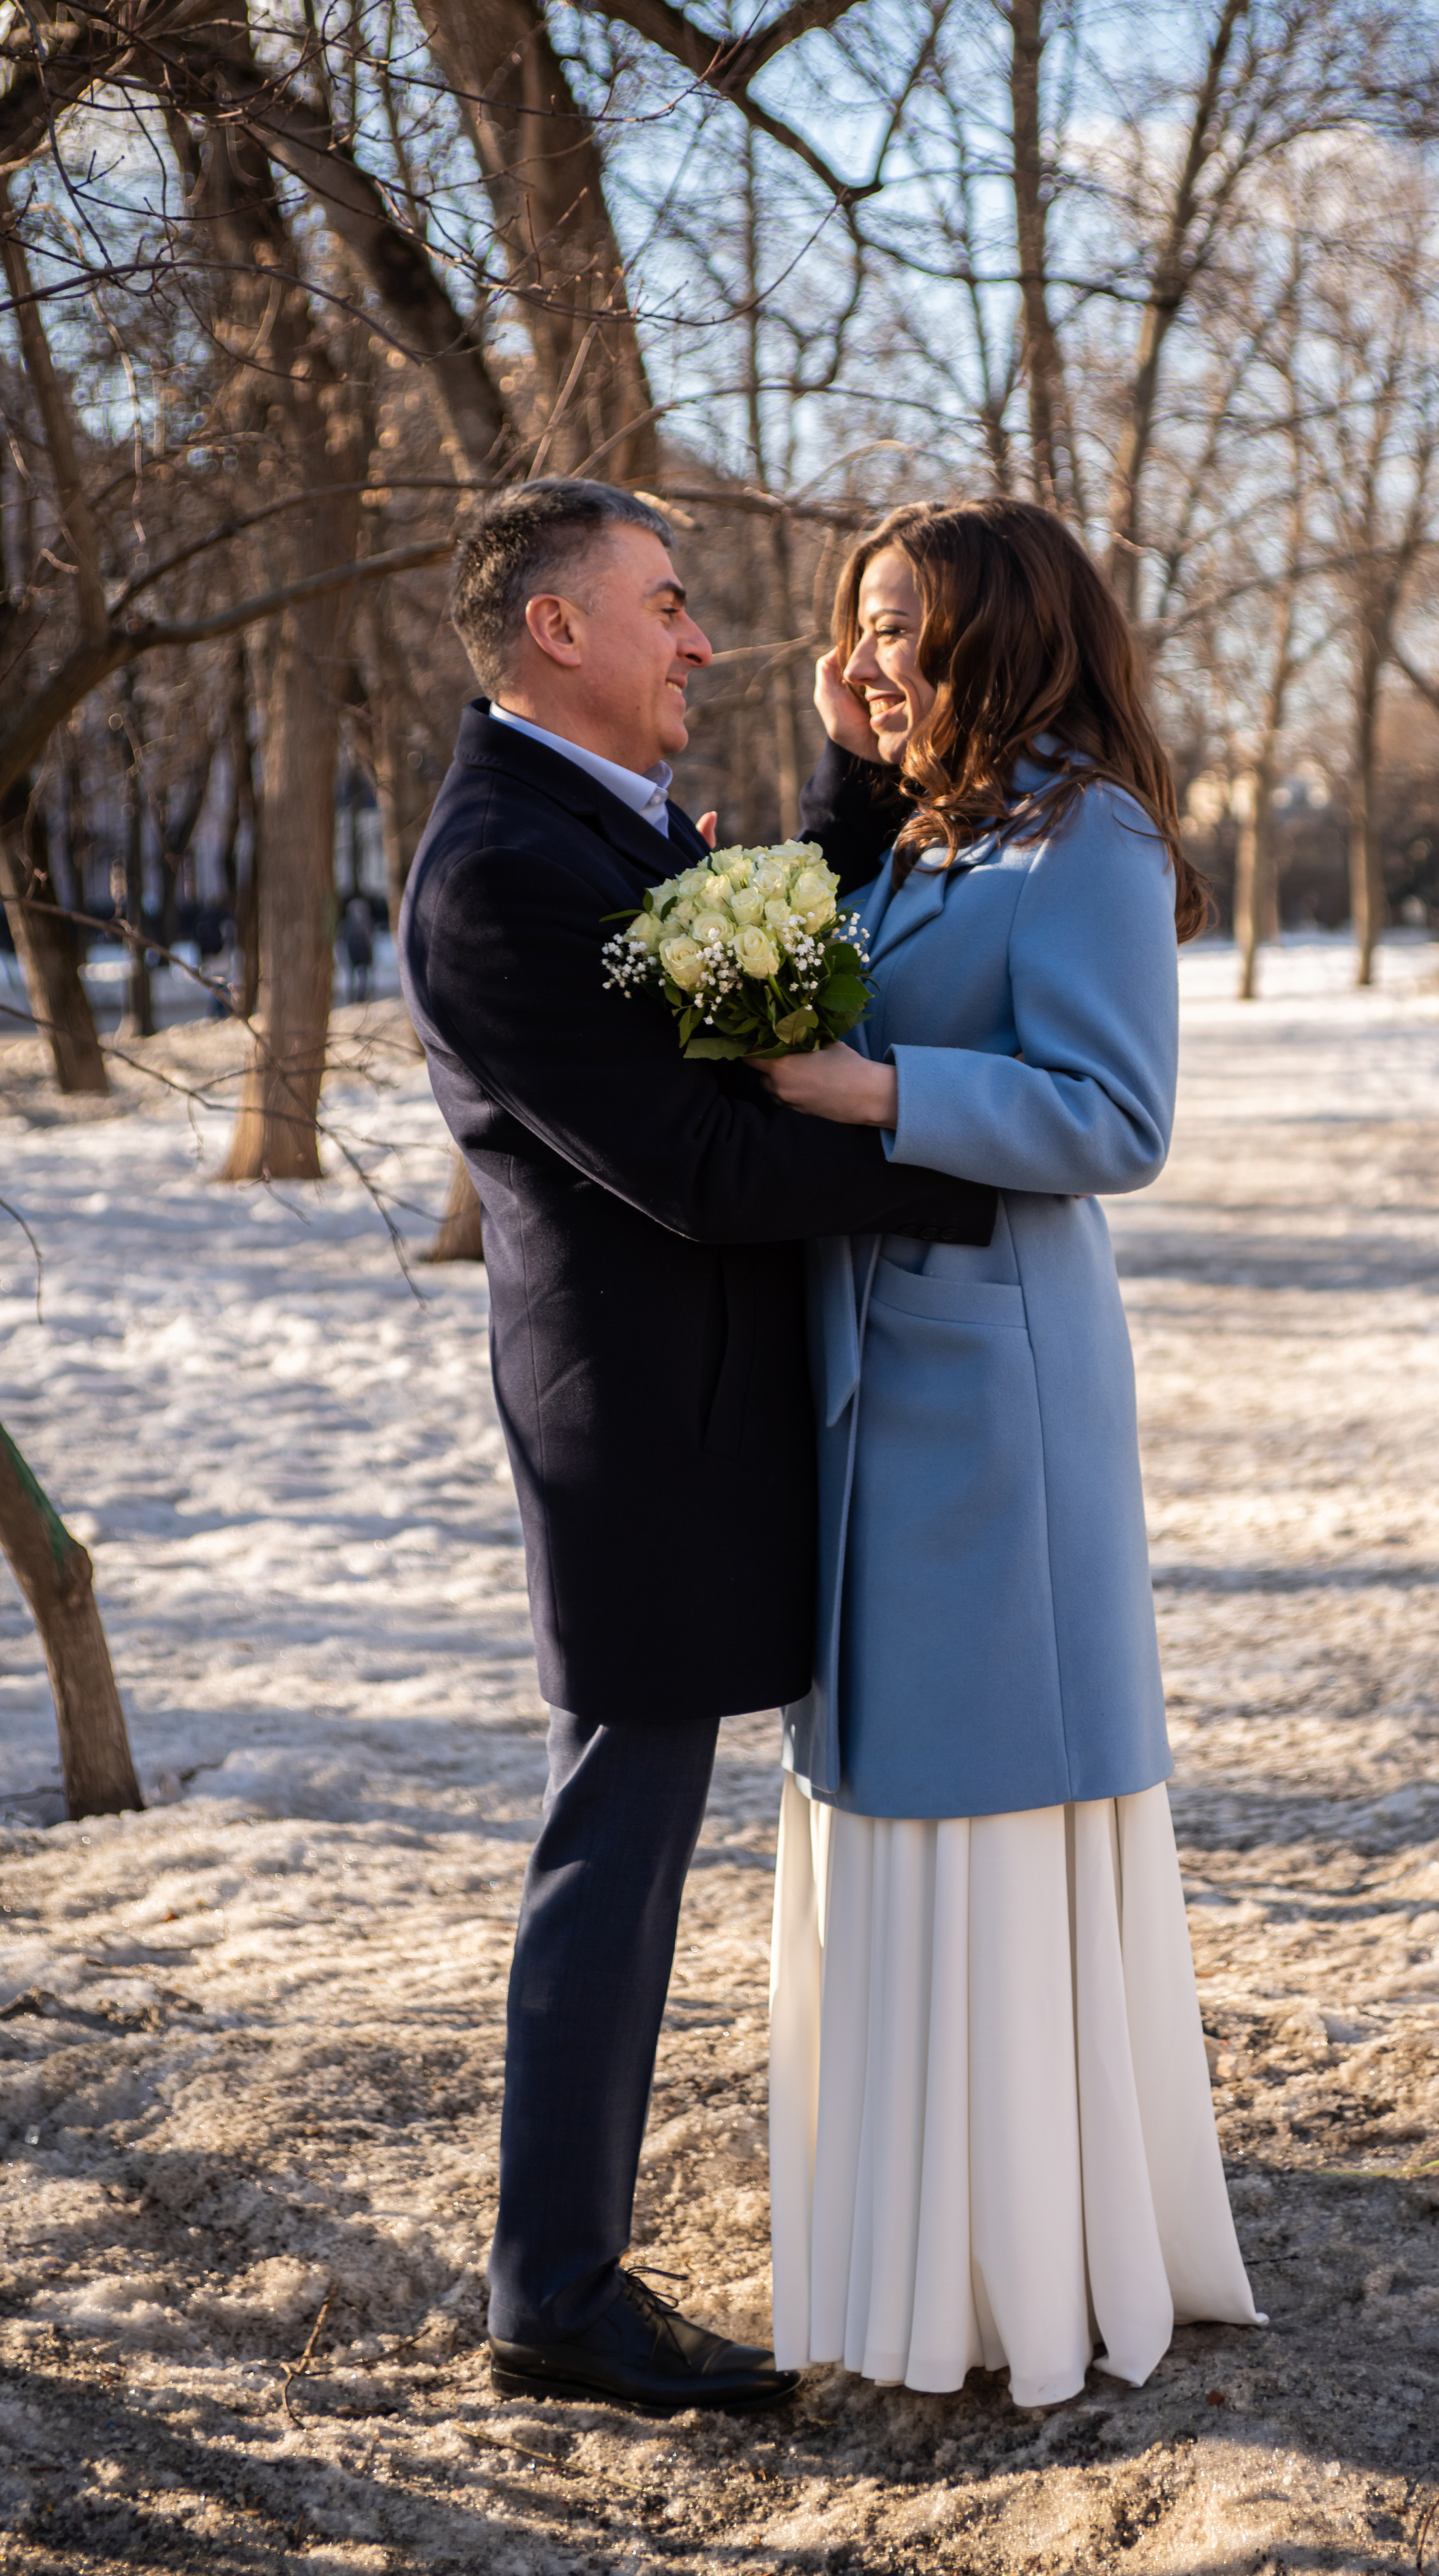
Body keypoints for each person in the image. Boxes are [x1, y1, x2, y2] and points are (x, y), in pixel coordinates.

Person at [397, 480, 995, 2418]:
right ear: (559, 631)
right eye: (669, 604)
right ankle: (554, 2292)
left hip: (726, 1408)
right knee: (615, 1850)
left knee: (640, 1843)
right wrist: (978, 1168)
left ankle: (562, 2267)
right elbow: (696, 1160)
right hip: (637, 1441)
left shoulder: (602, 823)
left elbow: (750, 1004)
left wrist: (838, 796)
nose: (706, 640)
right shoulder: (499, 869)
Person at [750, 497, 1262, 2409]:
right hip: (870, 1379)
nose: (871, 656)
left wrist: (881, 1091)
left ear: (1005, 630)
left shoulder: (1089, 835)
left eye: (900, 627)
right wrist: (844, 771)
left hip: (996, 1394)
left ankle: (1018, 2252)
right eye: (855, 627)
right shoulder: (923, 832)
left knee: (982, 1794)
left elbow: (1118, 1117)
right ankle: (907, 2217)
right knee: (883, 1788)